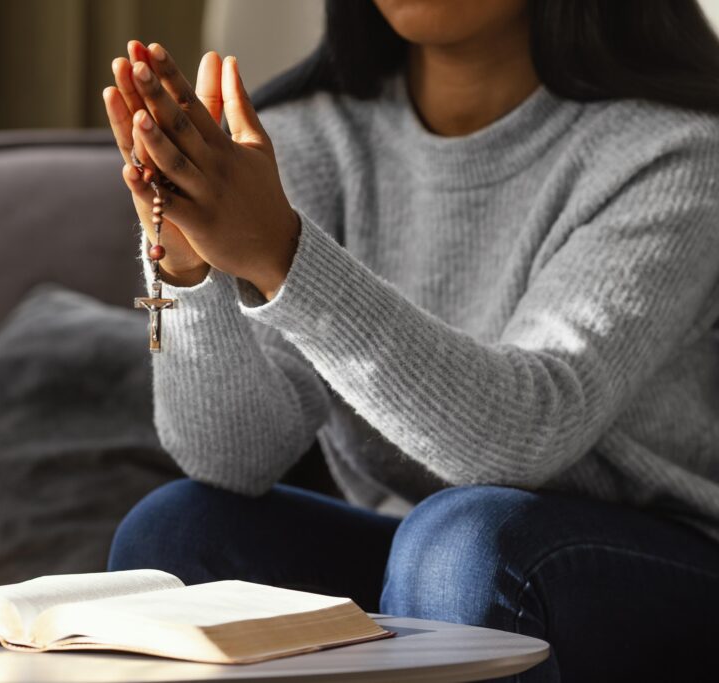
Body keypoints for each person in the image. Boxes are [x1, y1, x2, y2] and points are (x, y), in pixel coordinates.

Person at [100, 1, 719, 680]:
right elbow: (233, 459)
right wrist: (186, 269)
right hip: (430, 558)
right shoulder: (310, 137)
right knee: (175, 532)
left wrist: (282, 254)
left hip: (656, 567)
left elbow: (528, 432)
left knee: (462, 543)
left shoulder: (676, 149)